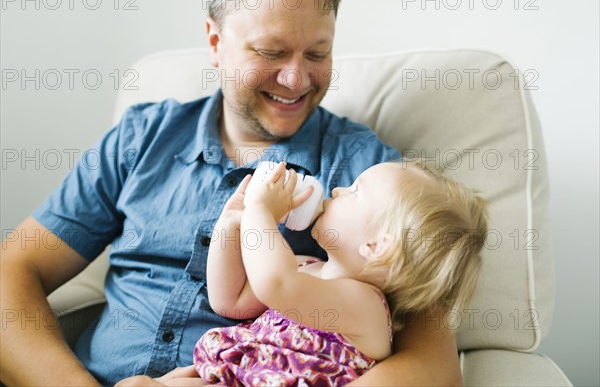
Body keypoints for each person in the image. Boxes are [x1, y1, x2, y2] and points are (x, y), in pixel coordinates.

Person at [1, 0, 465, 385]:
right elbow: (13, 268)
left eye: (318, 54)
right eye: (270, 52)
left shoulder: (372, 174)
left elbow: (433, 361)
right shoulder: (140, 138)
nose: (295, 79)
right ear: (216, 41)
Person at [139, 161, 487, 387]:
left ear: (376, 247)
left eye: (354, 192)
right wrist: (231, 224)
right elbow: (230, 301)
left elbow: (275, 283)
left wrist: (262, 211)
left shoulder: (364, 306)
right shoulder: (305, 265)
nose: (336, 190)